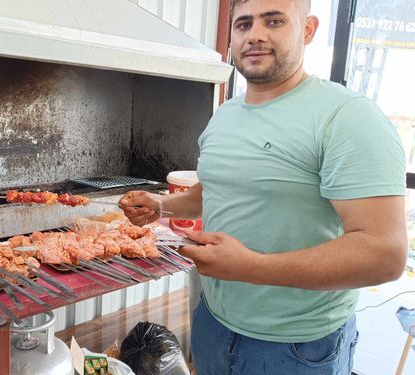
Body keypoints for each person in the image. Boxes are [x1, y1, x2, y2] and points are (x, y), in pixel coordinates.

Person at [118, 0, 407, 373]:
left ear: (308, 29)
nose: (255, 35)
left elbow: (384, 254)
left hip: (298, 344)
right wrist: (160, 205)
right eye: (243, 25)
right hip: (213, 321)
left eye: (274, 21)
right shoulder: (225, 116)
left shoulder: (347, 117)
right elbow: (213, 193)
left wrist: (250, 267)